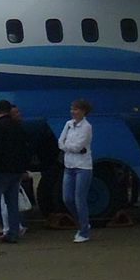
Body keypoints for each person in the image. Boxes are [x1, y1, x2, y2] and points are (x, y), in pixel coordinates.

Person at [0, 99, 30, 242]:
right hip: (16, 170)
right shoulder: (18, 126)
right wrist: (23, 168)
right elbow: (24, 149)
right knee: (12, 204)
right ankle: (13, 233)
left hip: (1, 170)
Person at [60, 99, 95, 243]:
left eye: (75, 109)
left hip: (83, 167)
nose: (72, 112)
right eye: (72, 109)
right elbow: (60, 142)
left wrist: (68, 146)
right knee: (67, 198)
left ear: (83, 111)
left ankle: (84, 231)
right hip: (69, 165)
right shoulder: (68, 124)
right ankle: (82, 221)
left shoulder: (86, 127)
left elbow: (79, 145)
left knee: (79, 199)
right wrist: (70, 146)